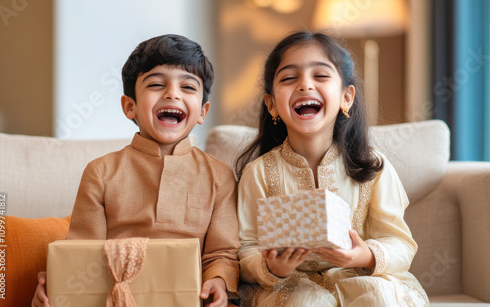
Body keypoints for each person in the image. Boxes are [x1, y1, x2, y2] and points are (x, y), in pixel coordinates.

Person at [32, 34, 240, 307]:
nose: (172, 93)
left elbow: (222, 253)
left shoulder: (220, 175)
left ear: (202, 112)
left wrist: (219, 282)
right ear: (130, 106)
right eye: (156, 84)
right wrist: (58, 284)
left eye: (188, 87)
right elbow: (81, 251)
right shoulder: (101, 172)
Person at [235, 31, 428, 306]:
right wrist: (271, 267)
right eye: (289, 78)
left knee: (378, 297)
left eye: (321, 76)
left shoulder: (374, 166)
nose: (305, 85)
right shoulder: (259, 172)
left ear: (346, 97)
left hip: (359, 278)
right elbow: (246, 249)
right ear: (272, 104)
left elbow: (400, 243)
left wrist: (363, 256)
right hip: (289, 287)